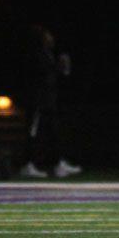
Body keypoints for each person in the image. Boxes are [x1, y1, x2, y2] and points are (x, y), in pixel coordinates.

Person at [20, 25, 82, 178]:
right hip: (38, 102)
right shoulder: (36, 54)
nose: (51, 38)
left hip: (48, 102)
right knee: (33, 134)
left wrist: (60, 69)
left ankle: (57, 164)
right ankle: (28, 164)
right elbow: (40, 76)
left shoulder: (48, 54)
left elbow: (52, 76)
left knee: (53, 134)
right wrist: (57, 67)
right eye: (48, 35)